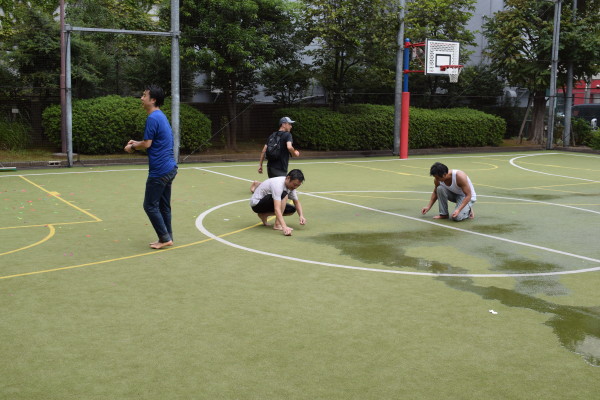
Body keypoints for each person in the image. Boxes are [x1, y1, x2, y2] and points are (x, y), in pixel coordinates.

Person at [125, 85, 178, 249]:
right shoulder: (159, 116)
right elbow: (151, 142)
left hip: (160, 170)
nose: (141, 98)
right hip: (170, 168)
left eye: (144, 95)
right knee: (163, 206)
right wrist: (136, 142)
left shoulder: (153, 118)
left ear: (153, 99)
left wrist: (132, 147)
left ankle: (164, 238)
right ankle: (168, 237)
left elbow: (147, 144)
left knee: (149, 205)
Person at [250, 116, 300, 193]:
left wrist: (260, 165)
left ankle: (258, 185)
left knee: (274, 186)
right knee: (285, 188)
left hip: (270, 168)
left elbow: (264, 150)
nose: (291, 126)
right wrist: (294, 154)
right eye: (289, 124)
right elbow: (289, 147)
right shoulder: (287, 135)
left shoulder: (272, 135)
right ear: (283, 124)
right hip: (280, 168)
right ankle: (259, 185)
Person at [250, 169, 306, 236]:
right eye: (294, 184)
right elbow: (277, 208)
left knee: (291, 210)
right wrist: (284, 227)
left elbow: (296, 202)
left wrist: (301, 216)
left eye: (298, 186)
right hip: (257, 204)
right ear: (288, 178)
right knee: (284, 195)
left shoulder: (291, 187)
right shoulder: (278, 184)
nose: (295, 187)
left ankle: (264, 214)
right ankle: (277, 225)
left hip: (266, 204)